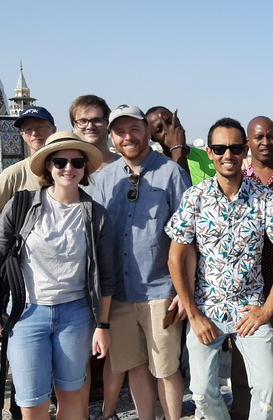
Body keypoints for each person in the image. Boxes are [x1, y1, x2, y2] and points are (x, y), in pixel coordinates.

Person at [0, 131, 116, 419]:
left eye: (77, 162)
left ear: (85, 169)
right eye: (60, 162)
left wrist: (102, 325)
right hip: (27, 313)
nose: (69, 168)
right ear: (48, 167)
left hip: (75, 314)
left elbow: (106, 276)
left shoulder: (96, 215)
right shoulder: (21, 206)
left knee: (71, 395)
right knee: (32, 402)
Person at [166, 117, 273, 420]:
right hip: (206, 309)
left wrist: (266, 311)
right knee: (200, 390)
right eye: (220, 148)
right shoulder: (195, 198)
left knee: (268, 385)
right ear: (210, 152)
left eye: (235, 148)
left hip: (249, 309)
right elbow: (175, 259)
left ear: (245, 151)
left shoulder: (264, 198)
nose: (228, 155)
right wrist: (194, 316)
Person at [91, 104, 190, 420]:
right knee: (135, 367)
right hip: (119, 294)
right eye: (120, 131)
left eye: (134, 128)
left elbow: (188, 238)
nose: (128, 137)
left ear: (146, 131)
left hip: (161, 292)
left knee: (166, 369)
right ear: (112, 138)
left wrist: (184, 294)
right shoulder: (103, 179)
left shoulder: (171, 173)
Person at [228, 116, 273, 419]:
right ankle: (243, 410)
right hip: (246, 287)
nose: (265, 142)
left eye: (271, 136)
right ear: (248, 142)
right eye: (258, 137)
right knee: (244, 357)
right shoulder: (238, 179)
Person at [0, 106, 57, 231]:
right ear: (23, 135)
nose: (34, 133)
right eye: (28, 129)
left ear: (53, 130)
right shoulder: (15, 174)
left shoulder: (70, 168)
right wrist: (18, 234)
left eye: (40, 127)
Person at [69, 94, 119, 170]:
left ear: (108, 124)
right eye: (83, 121)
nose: (90, 126)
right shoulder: (67, 169)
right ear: (74, 126)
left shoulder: (127, 166)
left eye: (97, 120)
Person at [144, 106, 192, 176]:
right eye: (159, 130)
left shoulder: (210, 156)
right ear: (152, 137)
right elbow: (182, 185)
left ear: (177, 120)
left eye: (170, 122)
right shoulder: (155, 168)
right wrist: (177, 148)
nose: (169, 130)